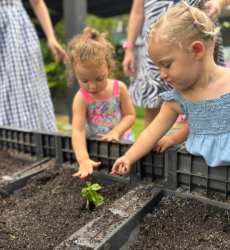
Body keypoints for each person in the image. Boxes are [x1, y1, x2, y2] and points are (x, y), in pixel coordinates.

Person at [110, 2, 230, 176]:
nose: (161, 75)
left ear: (196, 51)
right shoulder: (177, 99)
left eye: (166, 65)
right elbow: (151, 132)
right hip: (199, 176)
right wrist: (128, 157)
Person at [123, 0, 227, 130]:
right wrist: (129, 48)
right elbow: (137, 12)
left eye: (166, 66)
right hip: (156, 42)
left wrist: (219, 3)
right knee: (153, 114)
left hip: (193, 36)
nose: (162, 75)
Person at [0, 0, 67, 131]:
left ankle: (29, 143)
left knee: (24, 88)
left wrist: (51, 37)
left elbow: (37, 2)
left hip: (15, 32)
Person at [67, 27, 136, 179]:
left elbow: (130, 115)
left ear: (109, 68)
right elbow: (78, 131)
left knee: (129, 176)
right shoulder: (81, 98)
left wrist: (116, 132)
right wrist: (83, 159)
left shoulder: (119, 88)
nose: (92, 86)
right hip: (98, 149)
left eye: (99, 79)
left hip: (124, 144)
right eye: (84, 80)